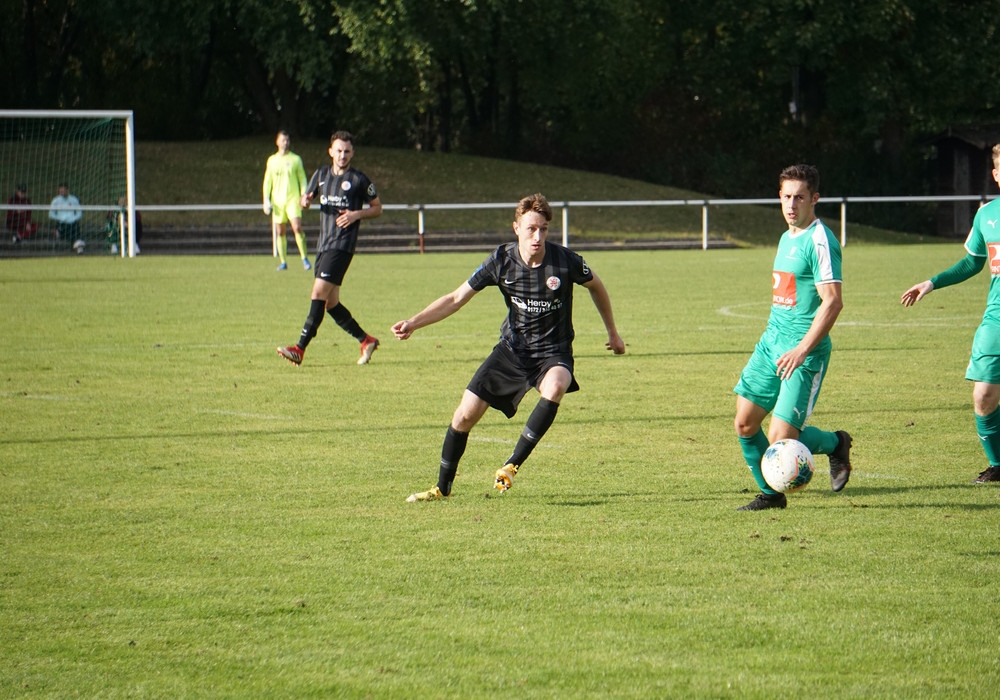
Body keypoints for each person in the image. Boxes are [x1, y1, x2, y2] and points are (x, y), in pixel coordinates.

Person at [395, 193, 626, 502]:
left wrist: (613, 333)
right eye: (531, 228)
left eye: (543, 229)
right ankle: (441, 489)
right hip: (512, 351)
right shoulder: (501, 260)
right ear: (516, 227)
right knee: (464, 416)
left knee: (556, 385)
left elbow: (597, 285)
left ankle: (511, 466)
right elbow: (454, 298)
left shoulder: (564, 260)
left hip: (553, 352)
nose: (538, 236)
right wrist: (413, 322)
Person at [733, 164, 853, 511]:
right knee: (744, 423)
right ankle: (771, 495)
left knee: (781, 439)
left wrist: (802, 349)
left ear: (814, 199)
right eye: (786, 196)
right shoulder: (787, 237)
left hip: (805, 352)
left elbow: (833, 302)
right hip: (771, 344)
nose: (791, 204)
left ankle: (835, 443)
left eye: (799, 197)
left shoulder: (820, 241)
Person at [901, 143, 1000, 484]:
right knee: (984, 394)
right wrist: (932, 283)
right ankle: (998, 464)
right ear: (996, 175)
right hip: (997, 318)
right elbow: (973, 262)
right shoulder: (986, 214)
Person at [276, 130, 383, 366]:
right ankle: (366, 340)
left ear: (352, 153)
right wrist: (304, 201)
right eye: (339, 150)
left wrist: (356, 214)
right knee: (330, 303)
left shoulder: (359, 180)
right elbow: (308, 197)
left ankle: (299, 348)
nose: (342, 155)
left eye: (347, 151)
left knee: (317, 294)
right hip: (323, 245)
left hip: (342, 246)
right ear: (331, 151)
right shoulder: (322, 174)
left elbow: (377, 207)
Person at [262, 130, 310, 271]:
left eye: (287, 140)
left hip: (292, 200)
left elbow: (302, 178)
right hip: (278, 201)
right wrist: (266, 199)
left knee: (297, 227)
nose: (285, 142)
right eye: (283, 140)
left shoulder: (295, 159)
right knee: (280, 231)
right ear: (277, 142)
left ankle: (304, 258)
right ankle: (283, 261)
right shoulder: (272, 160)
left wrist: (304, 195)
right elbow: (267, 181)